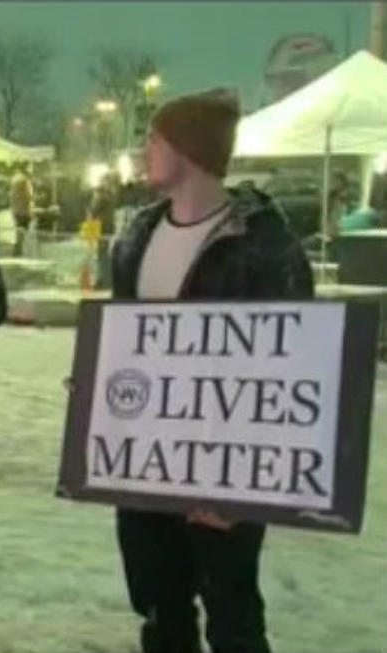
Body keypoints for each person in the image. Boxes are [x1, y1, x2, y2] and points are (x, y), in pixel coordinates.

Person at [109, 88, 313, 653]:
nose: (144, 149)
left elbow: (294, 373)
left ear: (189, 149)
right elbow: (124, 345)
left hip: (225, 468)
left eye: (155, 138)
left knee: (232, 613)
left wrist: (243, 490)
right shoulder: (135, 240)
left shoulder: (262, 248)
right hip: (146, 466)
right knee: (159, 606)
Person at [10, 163, 35, 256]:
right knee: (23, 232)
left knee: (19, 232)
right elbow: (28, 196)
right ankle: (19, 251)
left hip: (17, 210)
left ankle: (18, 250)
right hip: (24, 211)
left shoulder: (15, 179)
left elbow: (13, 197)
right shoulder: (24, 181)